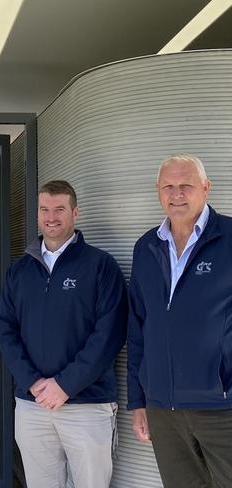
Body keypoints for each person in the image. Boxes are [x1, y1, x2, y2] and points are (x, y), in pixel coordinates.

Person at [0, 180, 127, 488]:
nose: (51, 217)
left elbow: (110, 333)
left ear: (75, 213)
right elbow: (5, 328)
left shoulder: (100, 266)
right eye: (44, 209)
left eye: (59, 209)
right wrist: (34, 382)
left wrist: (65, 385)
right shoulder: (19, 270)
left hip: (87, 405)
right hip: (33, 404)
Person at [127, 154, 232, 487]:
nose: (176, 195)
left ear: (206, 188)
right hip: (163, 410)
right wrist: (138, 400)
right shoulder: (146, 247)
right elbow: (138, 329)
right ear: (157, 191)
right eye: (168, 187)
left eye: (186, 185)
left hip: (223, 409)